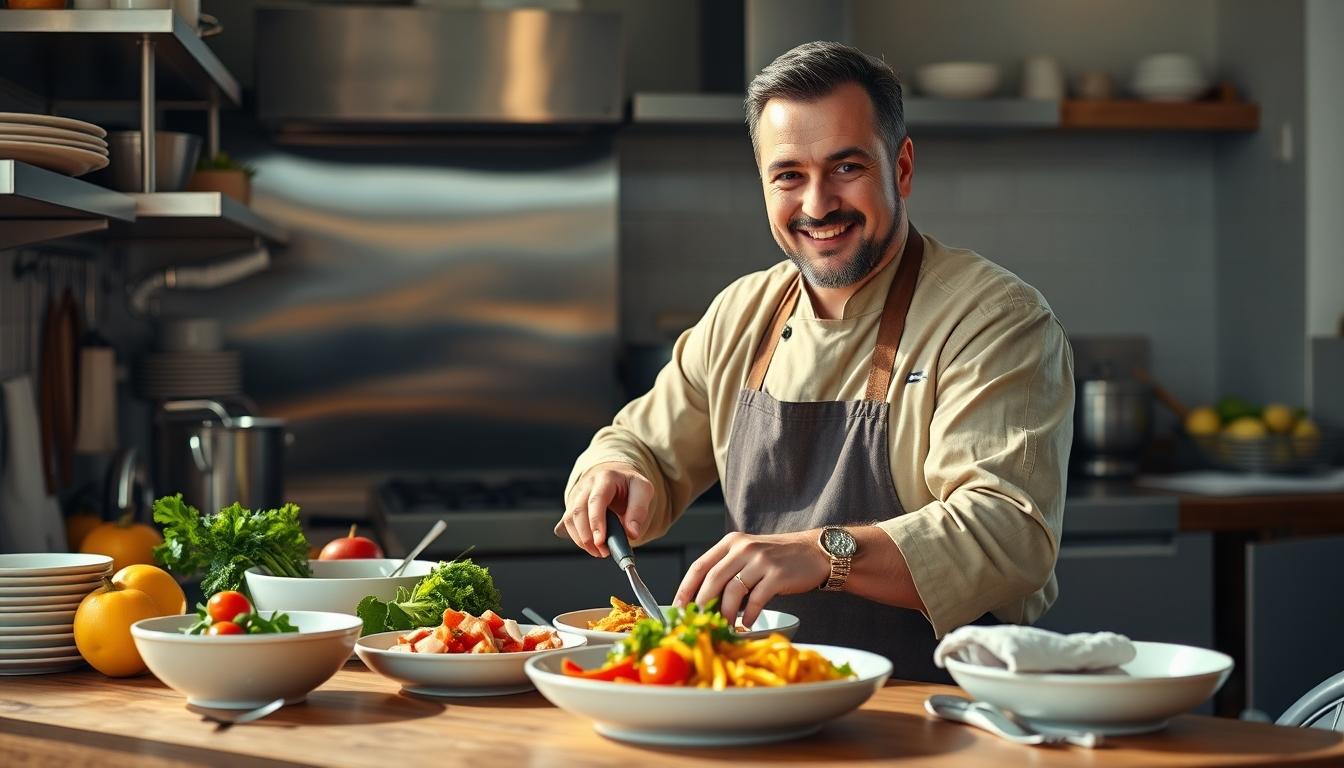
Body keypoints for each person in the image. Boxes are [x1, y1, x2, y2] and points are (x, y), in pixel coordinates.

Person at [555, 41, 1074, 682]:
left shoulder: (993, 317)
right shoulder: (742, 313)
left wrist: (825, 552)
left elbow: (1008, 535)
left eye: (847, 167)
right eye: (789, 176)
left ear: (902, 168)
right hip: (764, 700)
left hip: (942, 707)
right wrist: (614, 470)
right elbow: (642, 443)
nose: (817, 204)